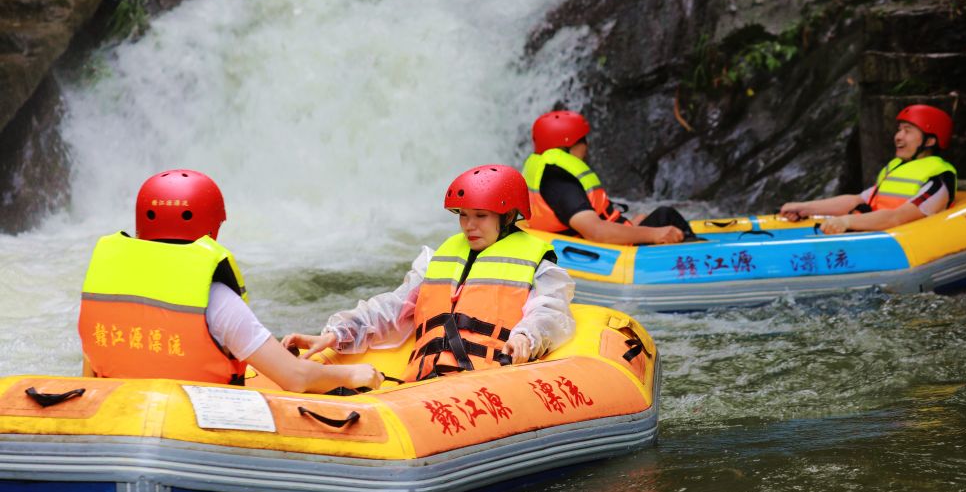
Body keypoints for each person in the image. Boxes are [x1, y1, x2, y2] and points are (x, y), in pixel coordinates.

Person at [78, 169, 382, 394]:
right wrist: (352, 375)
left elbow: (89, 377)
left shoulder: (107, 290)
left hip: (119, 424)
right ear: (211, 228)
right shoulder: (216, 299)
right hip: (193, 432)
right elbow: (296, 378)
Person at [282, 164, 576, 382]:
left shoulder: (540, 266)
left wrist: (526, 337)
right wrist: (337, 334)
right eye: (463, 214)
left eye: (480, 216)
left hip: (487, 380)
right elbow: (392, 307)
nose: (469, 225)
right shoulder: (435, 261)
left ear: (509, 216)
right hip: (423, 383)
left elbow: (549, 313)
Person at [521, 110, 693, 245]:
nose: (586, 147)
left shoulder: (549, 173)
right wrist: (655, 234)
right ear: (569, 145)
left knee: (657, 217)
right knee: (666, 216)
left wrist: (630, 226)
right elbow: (595, 232)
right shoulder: (560, 181)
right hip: (607, 251)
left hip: (587, 240)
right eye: (583, 140)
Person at [780, 104, 957, 234]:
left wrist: (847, 221)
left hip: (902, 245)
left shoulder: (937, 182)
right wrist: (805, 208)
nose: (898, 137)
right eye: (899, 130)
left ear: (929, 141)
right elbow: (856, 200)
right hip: (877, 234)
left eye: (908, 131)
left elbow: (896, 218)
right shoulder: (896, 168)